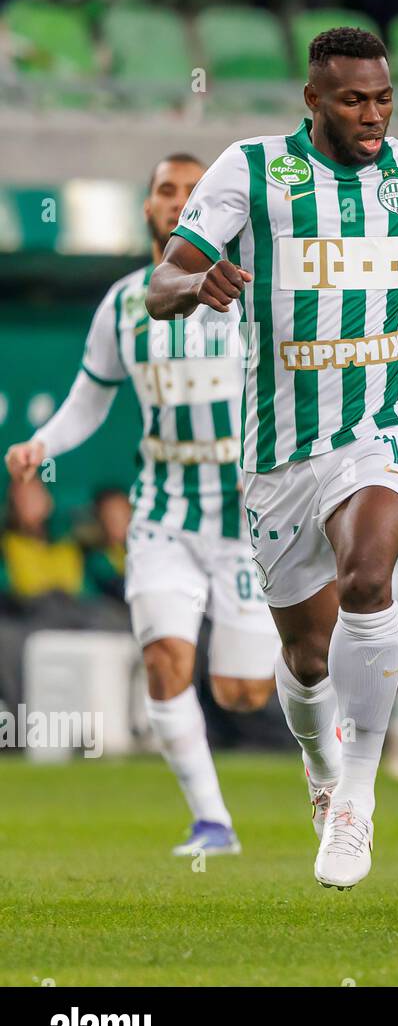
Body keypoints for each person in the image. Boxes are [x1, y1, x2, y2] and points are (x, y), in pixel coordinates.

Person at [145, 27, 398, 890]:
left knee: (370, 576)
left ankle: (356, 801)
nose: (372, 116)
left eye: (382, 98)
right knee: (306, 654)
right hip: (277, 445)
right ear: (313, 100)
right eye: (352, 100)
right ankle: (321, 768)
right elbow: (163, 281)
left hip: (387, 412)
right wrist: (197, 285)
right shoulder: (253, 171)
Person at [5, 153, 280, 859]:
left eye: (193, 191)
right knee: (163, 658)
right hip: (164, 508)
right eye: (167, 190)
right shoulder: (126, 302)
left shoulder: (256, 291)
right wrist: (42, 442)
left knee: (244, 691)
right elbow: (89, 398)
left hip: (245, 512)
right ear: (149, 209)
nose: (180, 201)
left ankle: (336, 724)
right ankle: (212, 822)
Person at [81, 486, 132, 603]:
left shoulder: (141, 550)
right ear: (100, 520)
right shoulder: (97, 558)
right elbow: (119, 589)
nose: (121, 522)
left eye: (124, 515)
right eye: (112, 517)